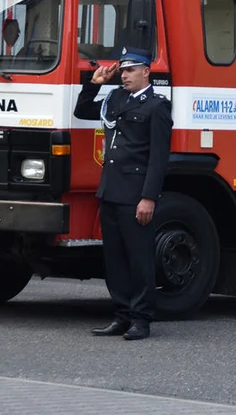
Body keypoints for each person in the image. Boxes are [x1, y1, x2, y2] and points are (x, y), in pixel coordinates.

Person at [73, 47, 172, 340]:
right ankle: (121, 314)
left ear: (146, 72)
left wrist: (149, 197)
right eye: (123, 71)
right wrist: (93, 85)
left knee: (139, 258)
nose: (125, 76)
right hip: (112, 189)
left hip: (136, 193)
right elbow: (83, 111)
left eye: (130, 71)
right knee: (114, 260)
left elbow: (158, 157)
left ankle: (141, 319)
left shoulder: (157, 106)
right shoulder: (116, 98)